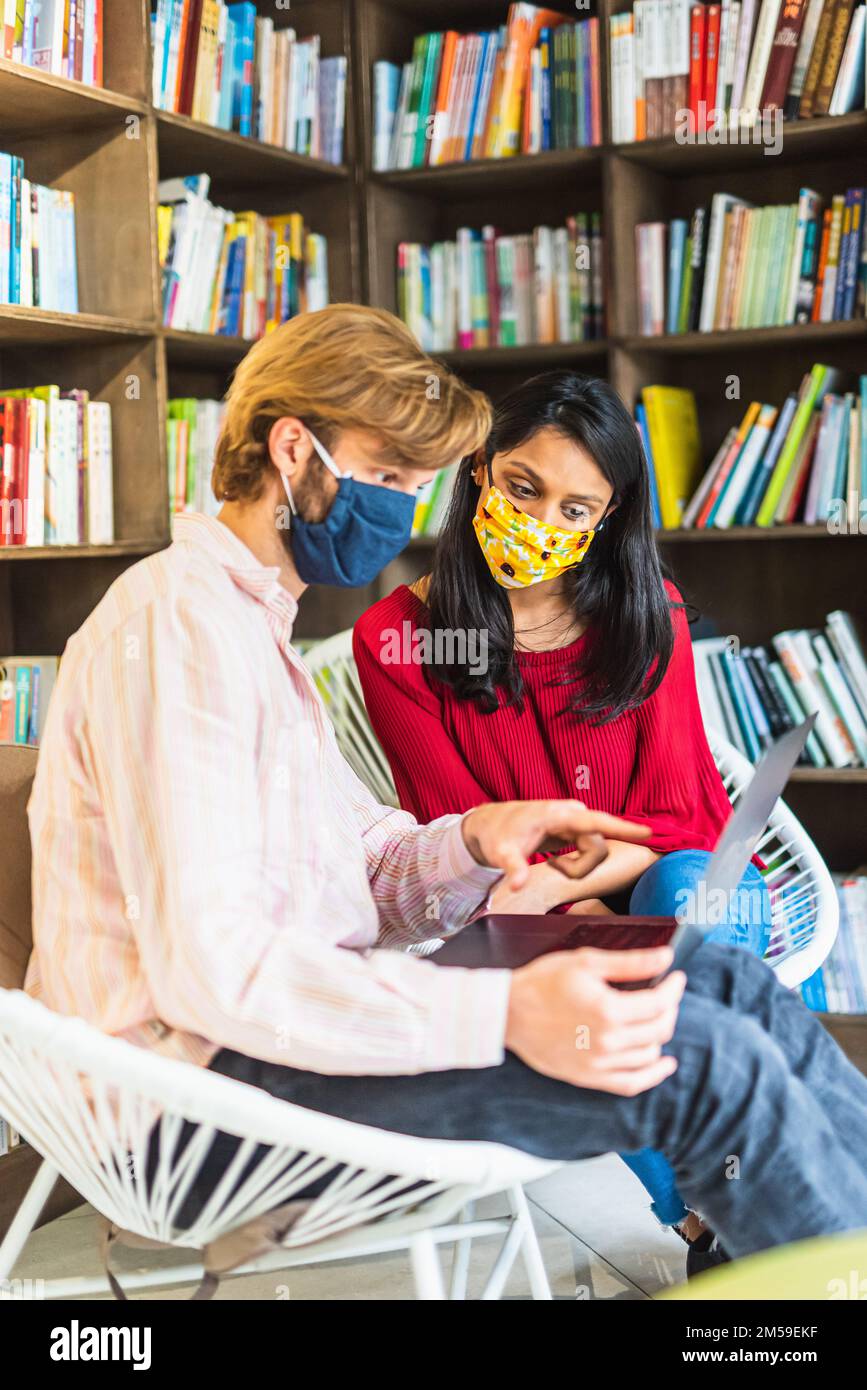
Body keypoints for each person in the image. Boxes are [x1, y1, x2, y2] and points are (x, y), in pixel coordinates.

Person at [25, 307, 867, 1271]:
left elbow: (364, 862)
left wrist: (471, 838)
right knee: (699, 1057)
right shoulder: (178, 631)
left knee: (719, 982)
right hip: (199, 1098)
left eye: (414, 486)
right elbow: (213, 971)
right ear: (294, 450)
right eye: (387, 476)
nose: (403, 510)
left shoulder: (250, 634)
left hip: (287, 1040)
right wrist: (504, 1012)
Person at [352, 369, 771, 1263]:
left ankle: (725, 1213)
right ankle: (718, 1217)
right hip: (529, 910)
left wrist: (588, 884)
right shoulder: (398, 638)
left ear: (607, 518)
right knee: (605, 980)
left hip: (680, 875)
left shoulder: (643, 609)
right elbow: (455, 842)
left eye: (577, 508)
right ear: (478, 469)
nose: (542, 521)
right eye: (522, 487)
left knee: (688, 903)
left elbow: (678, 820)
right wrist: (567, 908)